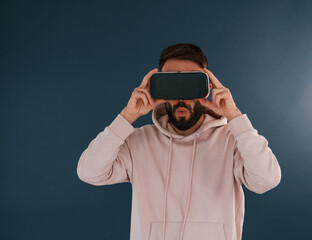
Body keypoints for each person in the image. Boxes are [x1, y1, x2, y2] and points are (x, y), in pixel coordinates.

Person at [77, 43, 282, 240]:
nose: (181, 97)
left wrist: (236, 117)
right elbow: (90, 173)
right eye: (173, 84)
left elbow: (266, 181)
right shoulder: (139, 141)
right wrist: (127, 116)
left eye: (190, 83)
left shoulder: (234, 140)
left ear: (207, 86)